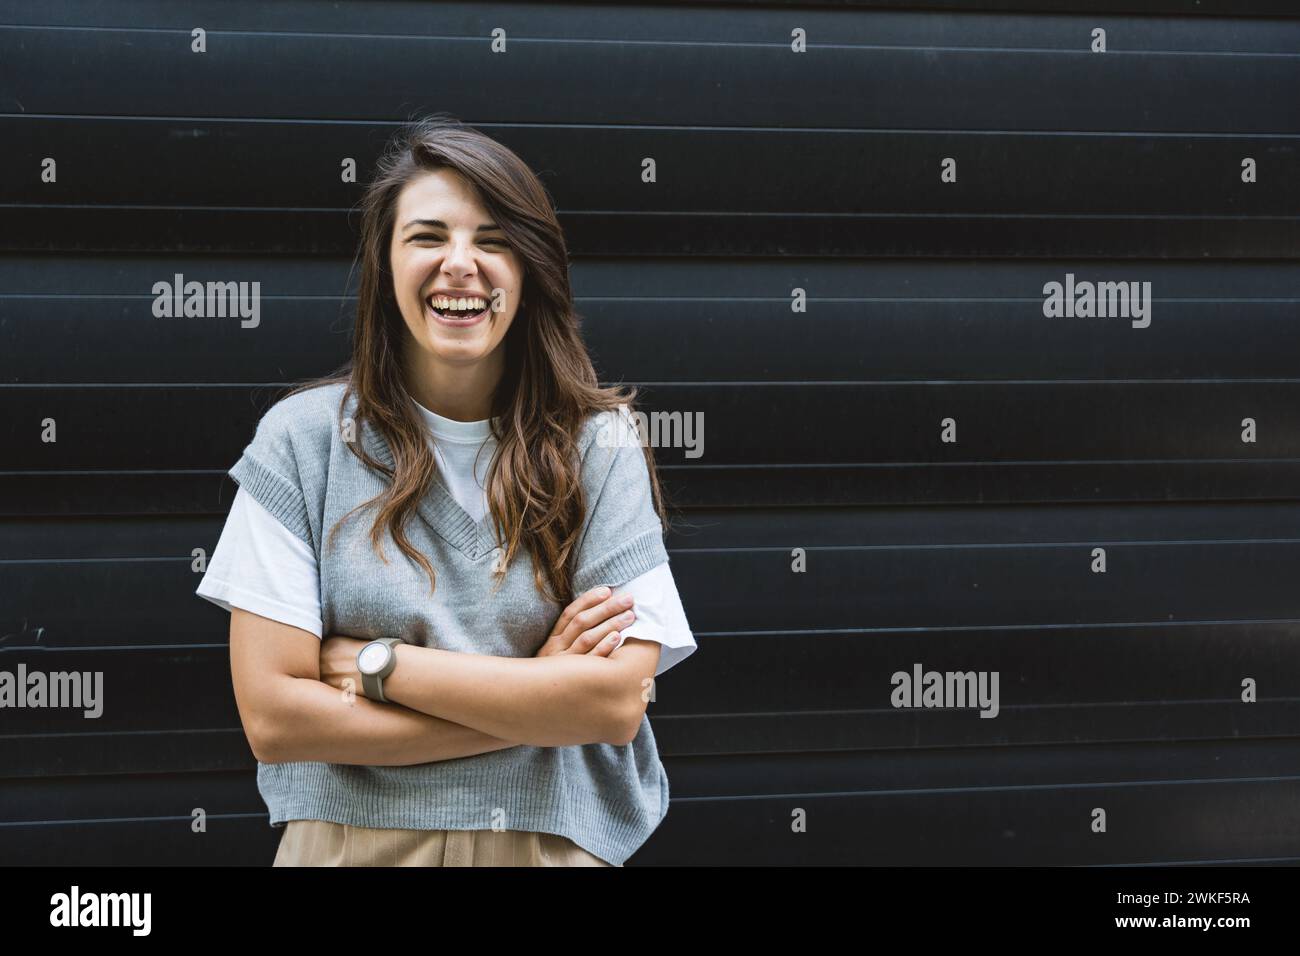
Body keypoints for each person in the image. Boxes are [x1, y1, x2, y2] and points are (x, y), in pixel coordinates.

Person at [195, 113, 697, 867]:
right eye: (428, 237)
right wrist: (538, 699)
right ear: (385, 265)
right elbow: (274, 718)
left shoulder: (600, 444)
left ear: (530, 271)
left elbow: (615, 703)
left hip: (547, 848)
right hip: (348, 849)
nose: (460, 264)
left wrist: (382, 669)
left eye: (493, 241)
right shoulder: (300, 442)